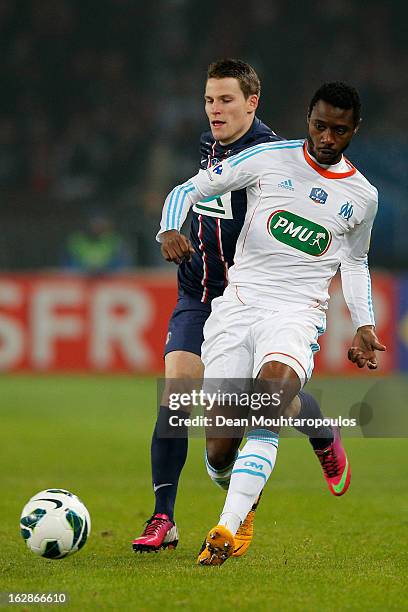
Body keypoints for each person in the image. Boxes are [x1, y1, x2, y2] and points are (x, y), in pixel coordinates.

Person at [155, 80, 386, 565]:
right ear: (308, 117)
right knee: (219, 449)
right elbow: (188, 189)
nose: (327, 138)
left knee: (266, 405)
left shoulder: (362, 196)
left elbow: (356, 261)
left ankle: (228, 525)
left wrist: (364, 323)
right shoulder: (267, 157)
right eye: (320, 126)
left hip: (296, 313)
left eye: (339, 131)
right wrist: (169, 226)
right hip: (238, 305)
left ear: (354, 131)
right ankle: (317, 429)